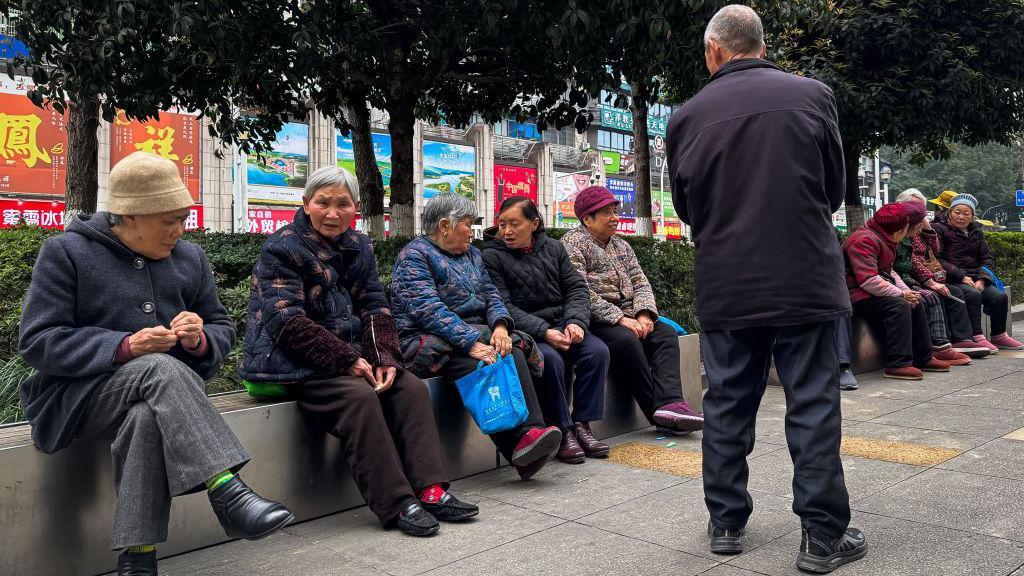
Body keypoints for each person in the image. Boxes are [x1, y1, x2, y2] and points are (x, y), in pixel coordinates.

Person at [18, 152, 292, 576]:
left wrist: (200, 338)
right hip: (80, 400)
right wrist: (124, 346)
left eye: (183, 219)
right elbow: (38, 341)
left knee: (147, 416)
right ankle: (226, 489)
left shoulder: (190, 258)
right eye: (169, 221)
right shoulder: (66, 253)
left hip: (158, 400)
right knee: (156, 367)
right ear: (128, 216)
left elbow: (222, 326)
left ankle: (138, 559)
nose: (179, 231)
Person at [666, 5, 865, 571]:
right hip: (803, 275)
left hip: (727, 282)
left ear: (715, 51)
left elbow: (687, 207)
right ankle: (823, 537)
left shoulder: (686, 116)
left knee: (727, 403)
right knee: (812, 404)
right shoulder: (812, 96)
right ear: (759, 44)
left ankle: (726, 522)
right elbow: (831, 189)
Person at [239, 167, 477, 538]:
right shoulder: (281, 247)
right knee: (360, 398)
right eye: (322, 203)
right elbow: (285, 322)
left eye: (342, 204)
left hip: (352, 357)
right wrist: (346, 359)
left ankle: (431, 490)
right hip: (294, 362)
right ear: (306, 204)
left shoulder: (359, 245)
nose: (332, 213)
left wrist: (383, 357)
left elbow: (374, 304)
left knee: (409, 387)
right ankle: (397, 503)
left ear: (356, 210)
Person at [391, 193, 562, 481]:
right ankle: (519, 450)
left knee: (511, 349)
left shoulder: (472, 254)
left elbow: (491, 294)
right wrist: (471, 343)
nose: (473, 231)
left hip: (477, 332)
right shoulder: (415, 255)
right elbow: (427, 309)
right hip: (429, 337)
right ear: (445, 226)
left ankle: (531, 432)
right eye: (468, 224)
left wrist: (499, 327)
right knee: (485, 363)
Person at [560, 186, 704, 435]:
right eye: (606, 212)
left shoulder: (622, 245)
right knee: (627, 342)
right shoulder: (572, 244)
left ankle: (671, 403)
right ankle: (658, 414)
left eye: (615, 211)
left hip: (631, 314)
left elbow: (640, 282)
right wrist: (620, 319)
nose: (615, 217)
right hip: (597, 320)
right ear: (587, 219)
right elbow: (579, 292)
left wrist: (644, 314)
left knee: (665, 334)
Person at [483, 196, 611, 464]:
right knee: (549, 360)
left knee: (597, 351)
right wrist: (544, 332)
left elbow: (577, 289)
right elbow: (503, 305)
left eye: (514, 223)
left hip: (564, 324)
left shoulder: (553, 248)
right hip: (529, 332)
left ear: (534, 223)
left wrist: (575, 322)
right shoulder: (492, 256)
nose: (507, 231)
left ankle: (582, 425)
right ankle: (563, 431)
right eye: (502, 224)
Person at [844, 203, 952, 380]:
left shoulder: (884, 236)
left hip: (872, 289)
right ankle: (897, 363)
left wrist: (906, 290)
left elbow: (889, 271)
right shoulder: (864, 240)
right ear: (898, 231)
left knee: (916, 301)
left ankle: (923, 357)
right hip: (857, 294)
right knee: (899, 305)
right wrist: (900, 294)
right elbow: (868, 280)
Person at [895, 189, 990, 359]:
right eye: (957, 212)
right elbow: (913, 260)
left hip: (935, 276)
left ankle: (962, 339)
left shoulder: (919, 227)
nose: (961, 217)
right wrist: (933, 281)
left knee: (966, 293)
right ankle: (943, 344)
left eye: (921, 210)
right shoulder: (901, 228)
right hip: (910, 278)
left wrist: (927, 229)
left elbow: (933, 250)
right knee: (941, 295)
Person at [932, 193, 1024, 351]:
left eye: (966, 213)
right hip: (952, 278)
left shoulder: (977, 231)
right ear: (950, 212)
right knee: (973, 294)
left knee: (999, 297)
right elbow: (936, 259)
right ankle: (977, 335)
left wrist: (982, 279)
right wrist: (961, 275)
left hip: (976, 278)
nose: (961, 217)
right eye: (957, 212)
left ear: (972, 216)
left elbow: (987, 258)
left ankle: (999, 335)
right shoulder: (938, 229)